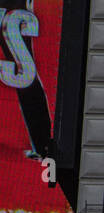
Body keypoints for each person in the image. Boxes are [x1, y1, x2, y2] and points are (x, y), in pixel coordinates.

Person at [2, 0, 56, 160]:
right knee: (25, 78)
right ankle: (43, 146)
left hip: (12, 15)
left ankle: (44, 146)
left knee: (26, 78)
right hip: (14, 15)